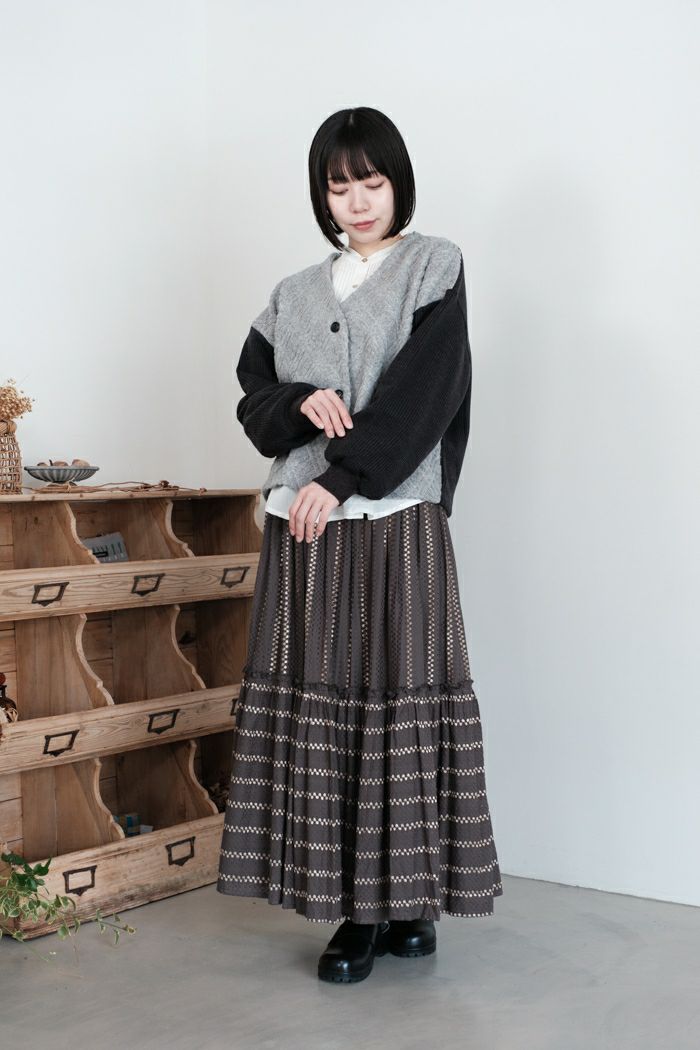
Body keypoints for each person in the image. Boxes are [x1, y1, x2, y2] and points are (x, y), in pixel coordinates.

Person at [217, 106, 503, 984]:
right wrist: (298, 399)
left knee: (400, 698)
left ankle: (405, 901)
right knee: (330, 703)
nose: (358, 202)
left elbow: (428, 394)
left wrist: (339, 479)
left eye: (371, 182)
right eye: (339, 187)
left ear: (397, 182)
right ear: (322, 196)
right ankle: (360, 907)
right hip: (305, 531)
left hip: (392, 522)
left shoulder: (434, 265)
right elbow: (252, 396)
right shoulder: (291, 293)